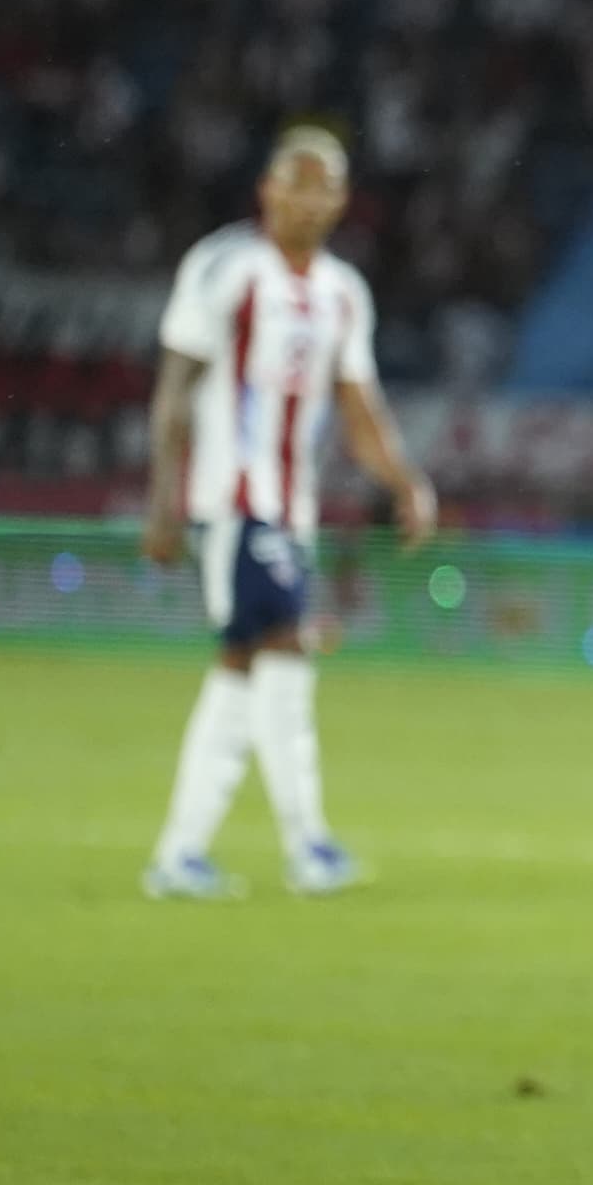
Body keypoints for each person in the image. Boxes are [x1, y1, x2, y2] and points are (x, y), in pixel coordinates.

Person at [138, 126, 436, 899]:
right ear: (267, 188)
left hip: (287, 510)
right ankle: (305, 846)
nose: (307, 197)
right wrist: (162, 501)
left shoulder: (342, 293)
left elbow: (357, 402)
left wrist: (406, 482)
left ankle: (184, 854)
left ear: (340, 200)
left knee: (249, 665)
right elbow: (175, 390)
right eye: (294, 181)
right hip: (233, 502)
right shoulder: (225, 268)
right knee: (285, 649)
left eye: (323, 185)